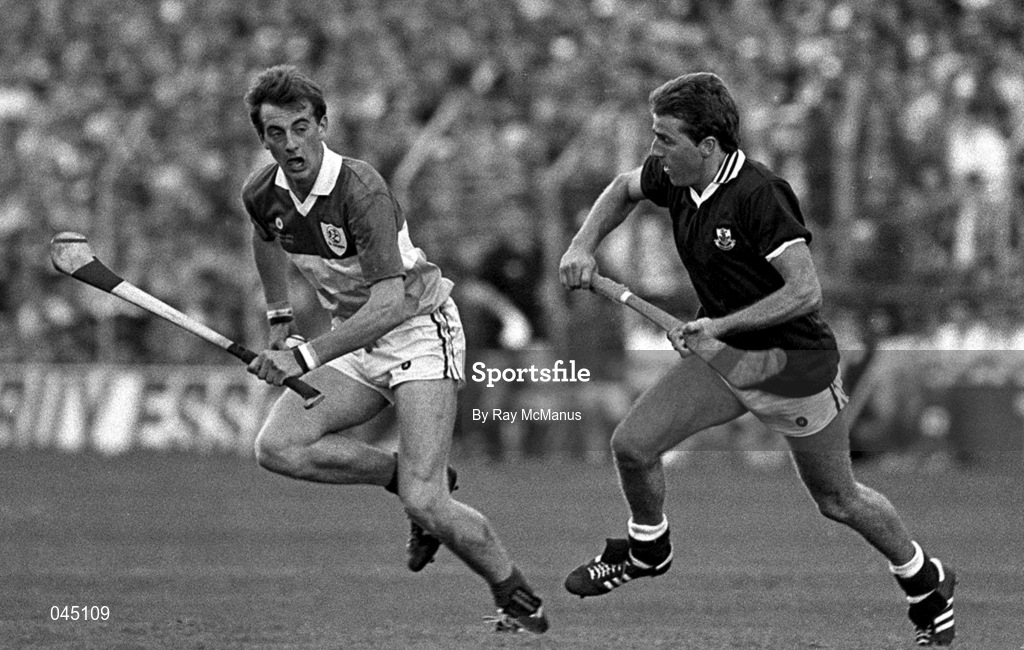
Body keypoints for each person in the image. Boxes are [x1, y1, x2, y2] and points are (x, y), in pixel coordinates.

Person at [558, 72, 954, 646]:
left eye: (665, 139)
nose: (654, 151)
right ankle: (648, 548)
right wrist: (580, 244)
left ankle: (923, 581)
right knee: (632, 446)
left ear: (708, 147)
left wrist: (720, 324)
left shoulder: (759, 194)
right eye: (654, 136)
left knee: (838, 500)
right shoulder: (675, 178)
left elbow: (804, 292)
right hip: (724, 359)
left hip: (792, 367)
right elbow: (621, 189)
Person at [240, 65, 547, 634]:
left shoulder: (361, 191)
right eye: (276, 133)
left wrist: (303, 358)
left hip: (419, 330)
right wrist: (280, 319)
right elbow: (266, 242)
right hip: (356, 337)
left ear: (323, 125)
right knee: (278, 447)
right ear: (263, 138)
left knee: (428, 502)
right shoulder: (263, 193)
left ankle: (513, 594)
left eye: (301, 128)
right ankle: (399, 474)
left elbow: (391, 305)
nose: (290, 145)